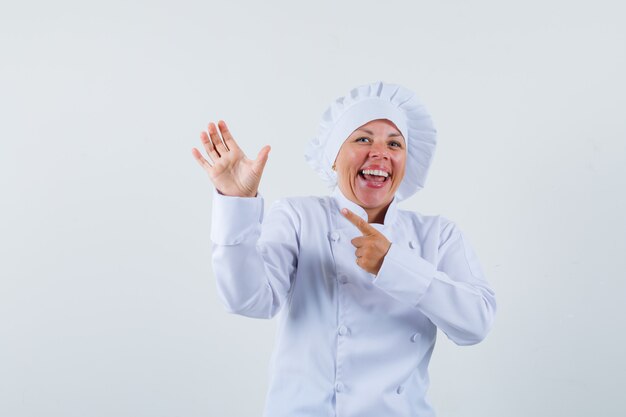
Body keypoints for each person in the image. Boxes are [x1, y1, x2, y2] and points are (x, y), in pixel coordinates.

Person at [191, 81, 496, 417]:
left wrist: (393, 264)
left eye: (394, 143)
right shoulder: (299, 216)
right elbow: (248, 300)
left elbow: (476, 323)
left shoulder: (437, 235)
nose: (379, 153)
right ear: (333, 158)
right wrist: (237, 204)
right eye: (363, 138)